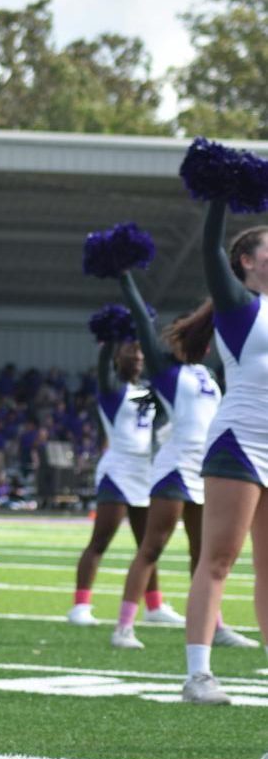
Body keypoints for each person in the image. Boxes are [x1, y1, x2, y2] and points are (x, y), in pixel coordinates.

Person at [110, 267, 254, 661]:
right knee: (153, 546)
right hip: (174, 469)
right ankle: (124, 625)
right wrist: (126, 279)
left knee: (204, 553)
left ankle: (216, 625)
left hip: (206, 468)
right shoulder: (165, 371)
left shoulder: (208, 374)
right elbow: (142, 320)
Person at [181, 210, 268, 704]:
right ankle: (198, 674)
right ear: (248, 262)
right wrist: (217, 199)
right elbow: (209, 249)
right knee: (218, 560)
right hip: (239, 444)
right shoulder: (239, 307)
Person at [67, 336, 177, 626]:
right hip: (118, 472)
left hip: (145, 473)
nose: (138, 356)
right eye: (130, 351)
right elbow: (103, 367)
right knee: (100, 540)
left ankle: (154, 607)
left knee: (149, 545)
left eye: (140, 352)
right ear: (118, 357)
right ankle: (80, 606)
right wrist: (107, 340)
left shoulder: (147, 391)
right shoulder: (112, 389)